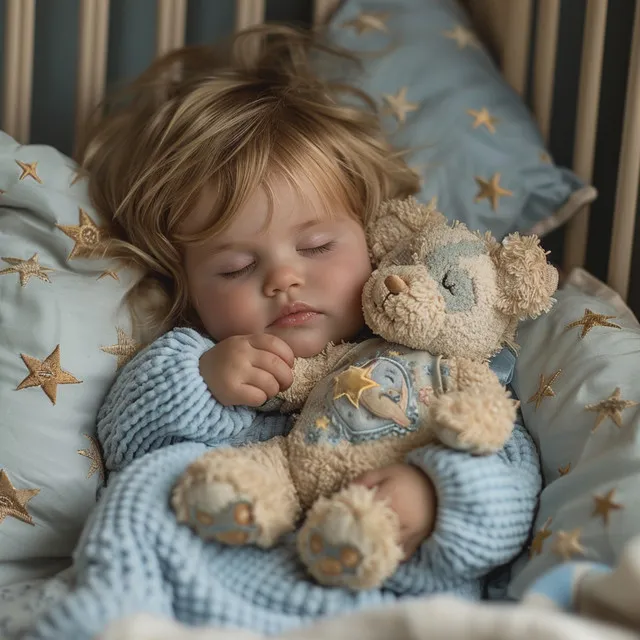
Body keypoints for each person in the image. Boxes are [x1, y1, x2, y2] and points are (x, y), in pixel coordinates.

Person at [29, 26, 541, 640]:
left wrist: (432, 496)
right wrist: (203, 380)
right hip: (191, 591)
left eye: (317, 245)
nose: (285, 279)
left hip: (374, 601)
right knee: (152, 487)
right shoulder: (201, 356)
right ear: (188, 287)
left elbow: (510, 480)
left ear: (374, 241)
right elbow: (127, 442)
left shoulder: (434, 368)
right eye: (237, 268)